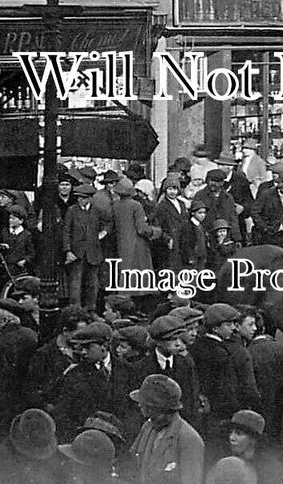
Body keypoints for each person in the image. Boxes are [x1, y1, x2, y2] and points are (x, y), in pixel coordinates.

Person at [130, 374, 204, 484]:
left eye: (148, 408)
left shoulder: (188, 439)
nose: (144, 412)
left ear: (163, 409)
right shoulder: (147, 427)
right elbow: (133, 465)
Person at [191, 303, 243, 458]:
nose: (233, 328)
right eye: (228, 325)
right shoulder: (220, 353)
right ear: (215, 328)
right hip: (218, 413)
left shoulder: (197, 346)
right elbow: (225, 388)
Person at [0, 298, 40, 433]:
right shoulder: (31, 335)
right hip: (30, 401)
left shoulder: (0, 345)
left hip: (8, 407)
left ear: (4, 320)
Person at [55, 321, 117, 439]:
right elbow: (63, 413)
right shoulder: (74, 375)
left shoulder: (128, 370)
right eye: (81, 347)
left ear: (104, 346)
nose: (83, 352)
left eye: (88, 347)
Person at [114, 178, 162, 294]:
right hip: (137, 245)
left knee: (126, 275)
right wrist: (156, 231)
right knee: (140, 278)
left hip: (122, 243)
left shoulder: (115, 205)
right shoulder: (136, 206)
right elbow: (142, 229)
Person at [65, 183, 105, 311]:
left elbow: (108, 222)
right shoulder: (72, 210)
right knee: (75, 284)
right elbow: (66, 231)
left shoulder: (97, 211)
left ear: (89, 198)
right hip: (77, 253)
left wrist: (103, 233)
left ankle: (91, 310)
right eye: (79, 197)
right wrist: (67, 250)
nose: (80, 200)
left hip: (93, 252)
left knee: (93, 284)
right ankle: (75, 311)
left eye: (83, 197)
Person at [250, 171, 283, 251]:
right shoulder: (266, 194)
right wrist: (264, 228)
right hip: (269, 236)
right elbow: (255, 212)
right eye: (281, 183)